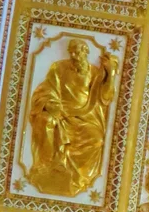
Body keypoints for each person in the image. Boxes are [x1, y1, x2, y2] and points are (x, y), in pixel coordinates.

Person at [27, 38, 117, 197]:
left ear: (86, 52)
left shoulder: (95, 73)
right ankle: (49, 165)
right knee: (47, 122)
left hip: (85, 117)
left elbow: (105, 97)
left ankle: (79, 178)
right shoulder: (58, 68)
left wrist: (110, 74)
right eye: (72, 52)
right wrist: (52, 104)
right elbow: (46, 89)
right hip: (61, 113)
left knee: (96, 140)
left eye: (78, 51)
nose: (74, 55)